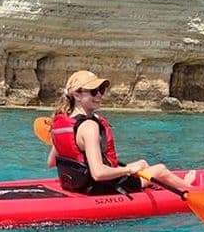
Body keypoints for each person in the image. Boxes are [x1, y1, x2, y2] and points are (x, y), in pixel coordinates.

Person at [46, 70, 196, 195]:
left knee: (142, 163)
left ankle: (156, 184)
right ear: (77, 95)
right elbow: (98, 173)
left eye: (101, 90)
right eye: (93, 92)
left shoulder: (62, 123)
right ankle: (189, 189)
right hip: (99, 187)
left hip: (76, 183)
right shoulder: (89, 126)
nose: (99, 95)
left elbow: (51, 162)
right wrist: (128, 170)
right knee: (160, 170)